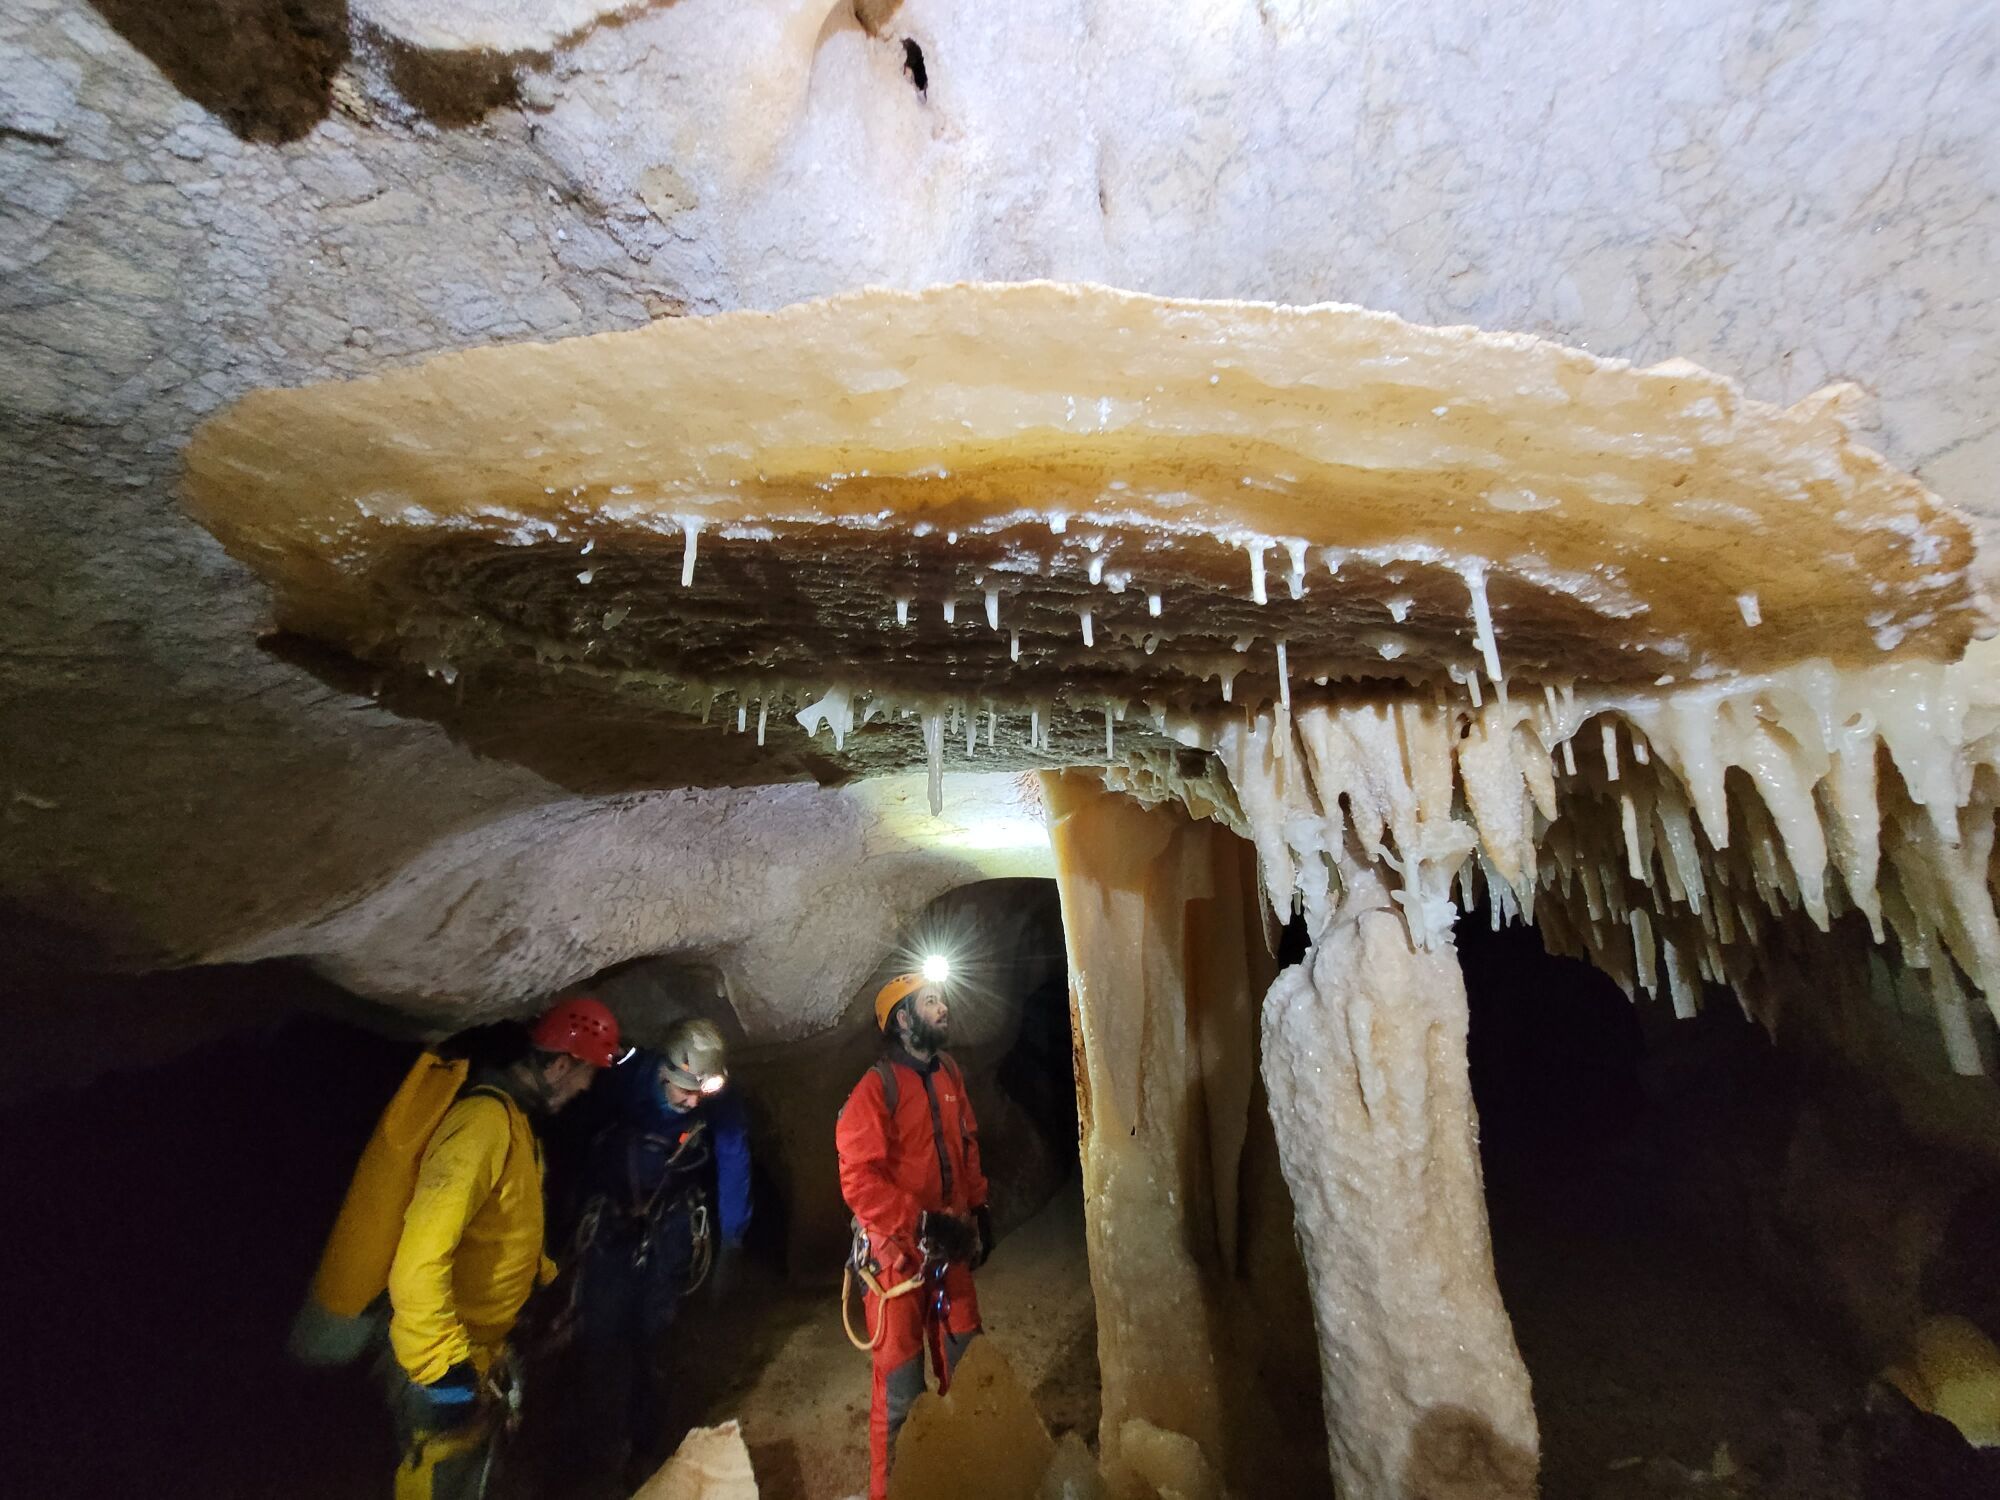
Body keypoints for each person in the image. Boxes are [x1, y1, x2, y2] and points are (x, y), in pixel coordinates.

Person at [386, 996, 622, 1500]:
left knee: (475, 1476)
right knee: (439, 1479)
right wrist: (441, 1369)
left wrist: (546, 1283)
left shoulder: (515, 1125)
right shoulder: (481, 1125)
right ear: (561, 1065)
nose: (585, 1088)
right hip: (445, 1356)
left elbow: (509, 1226)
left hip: (480, 1347)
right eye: (587, 1075)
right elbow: (418, 1259)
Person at [568, 1017, 753, 1489]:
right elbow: (576, 1131)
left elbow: (733, 1156)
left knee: (655, 1336)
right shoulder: (626, 1077)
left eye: (702, 1093)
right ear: (664, 1072)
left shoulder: (718, 1101)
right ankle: (594, 1455)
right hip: (611, 1223)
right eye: (685, 1090)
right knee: (602, 1337)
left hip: (669, 1224)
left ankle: (647, 1450)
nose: (694, 1102)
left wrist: (732, 1239)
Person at [836, 970, 995, 1500]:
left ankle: (966, 1479)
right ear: (903, 1020)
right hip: (894, 1263)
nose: (943, 1008)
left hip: (948, 1248)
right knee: (902, 1394)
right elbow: (859, 1181)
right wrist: (920, 1223)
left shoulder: (949, 1072)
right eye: (931, 1002)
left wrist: (979, 1205)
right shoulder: (874, 1089)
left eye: (942, 1000)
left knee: (969, 1369)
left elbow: (966, 1141)